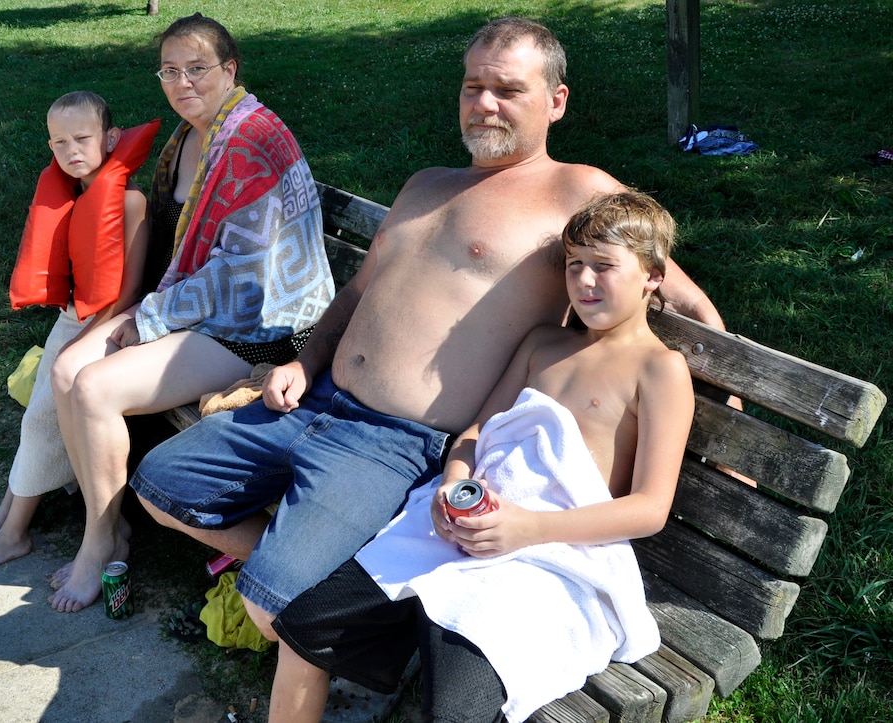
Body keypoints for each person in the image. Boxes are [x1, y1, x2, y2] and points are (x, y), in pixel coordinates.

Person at [129, 16, 722, 638]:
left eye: (508, 90)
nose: (484, 104)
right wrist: (303, 364)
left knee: (274, 606)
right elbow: (356, 292)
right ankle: (311, 570)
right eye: (472, 87)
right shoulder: (426, 185)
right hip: (316, 402)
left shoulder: (576, 189)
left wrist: (726, 400)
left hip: (398, 443)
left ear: (556, 101)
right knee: (158, 485)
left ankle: (312, 587)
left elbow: (682, 298)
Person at [268, 190, 694, 722]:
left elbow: (650, 508)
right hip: (470, 523)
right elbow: (476, 432)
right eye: (574, 265)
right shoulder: (544, 344)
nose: (584, 281)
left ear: (653, 276)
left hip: (550, 553)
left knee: (455, 708)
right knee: (306, 628)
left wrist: (526, 529)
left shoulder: (659, 369)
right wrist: (452, 484)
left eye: (604, 266)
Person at [45, 13, 335, 612]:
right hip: (207, 313)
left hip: (264, 330)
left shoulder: (249, 141)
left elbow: (244, 279)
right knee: (66, 369)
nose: (183, 82)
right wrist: (143, 309)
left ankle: (100, 541)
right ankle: (114, 525)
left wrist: (149, 318)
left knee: (95, 388)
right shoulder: (192, 136)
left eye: (198, 68)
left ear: (230, 70)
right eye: (170, 71)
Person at [0, 90, 156, 574]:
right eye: (58, 142)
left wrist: (87, 339)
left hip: (108, 327)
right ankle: (6, 516)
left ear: (110, 137)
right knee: (34, 417)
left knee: (44, 420)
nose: (70, 150)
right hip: (72, 320)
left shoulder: (129, 201)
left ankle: (14, 534)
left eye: (82, 138)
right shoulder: (79, 194)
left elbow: (126, 293)